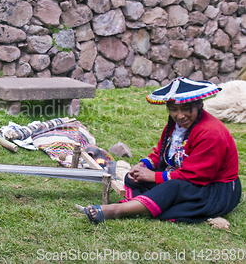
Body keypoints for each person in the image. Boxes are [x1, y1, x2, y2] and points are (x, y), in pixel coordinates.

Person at [76, 77, 242, 224]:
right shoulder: (175, 126)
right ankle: (145, 204)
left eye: (185, 109)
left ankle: (115, 211)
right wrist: (143, 166)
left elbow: (196, 176)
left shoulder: (211, 133)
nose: (179, 115)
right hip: (181, 176)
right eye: (173, 109)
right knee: (134, 178)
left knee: (171, 188)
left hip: (214, 189)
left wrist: (154, 176)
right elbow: (160, 153)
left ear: (199, 104)